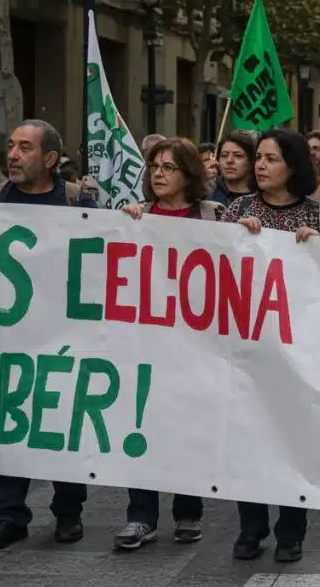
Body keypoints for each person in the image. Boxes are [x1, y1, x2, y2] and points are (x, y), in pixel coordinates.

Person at [0, 119, 96, 550]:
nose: (14, 154)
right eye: (12, 146)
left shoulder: (79, 202)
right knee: (8, 424)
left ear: (51, 159)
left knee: (63, 422)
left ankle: (68, 512)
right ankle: (9, 516)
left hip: (64, 337)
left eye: (25, 147)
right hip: (9, 340)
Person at [223, 129, 320, 563]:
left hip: (298, 355)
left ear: (292, 166)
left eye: (271, 159)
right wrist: (238, 237)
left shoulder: (319, 216)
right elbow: (219, 268)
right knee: (250, 440)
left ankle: (291, 531)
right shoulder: (238, 209)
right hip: (250, 350)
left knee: (293, 443)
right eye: (259, 158)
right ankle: (251, 528)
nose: (260, 166)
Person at [114, 138, 219, 550]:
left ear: (188, 175)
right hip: (146, 345)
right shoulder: (135, 219)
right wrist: (127, 224)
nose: (158, 174)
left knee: (186, 428)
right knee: (142, 424)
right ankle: (140, 516)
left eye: (168, 167)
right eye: (154, 166)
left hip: (195, 347)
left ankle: (188, 511)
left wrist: (247, 234)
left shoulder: (214, 218)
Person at [210, 131, 257, 206]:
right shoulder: (205, 193)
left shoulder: (264, 196)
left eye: (238, 156)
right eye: (224, 155)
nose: (229, 161)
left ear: (251, 161)